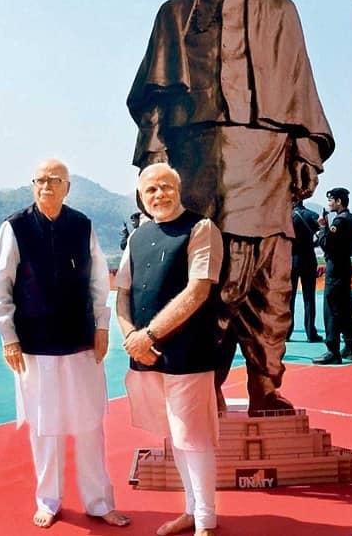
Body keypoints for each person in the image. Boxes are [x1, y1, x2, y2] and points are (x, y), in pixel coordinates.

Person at [127, 0, 334, 414]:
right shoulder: (175, 12)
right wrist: (154, 149)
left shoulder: (282, 11)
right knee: (204, 273)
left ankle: (266, 384)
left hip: (265, 157)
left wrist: (304, 147)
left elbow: (299, 83)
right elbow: (152, 96)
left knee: (269, 273)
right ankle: (207, 384)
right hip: (195, 159)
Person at [0, 158, 129, 529]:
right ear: (32, 185)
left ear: (68, 187)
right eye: (40, 180)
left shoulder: (83, 225)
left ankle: (99, 502)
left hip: (81, 341)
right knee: (43, 427)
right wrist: (9, 338)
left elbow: (99, 281)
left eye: (54, 180)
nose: (46, 186)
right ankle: (48, 500)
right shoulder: (15, 227)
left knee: (89, 425)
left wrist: (102, 327)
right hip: (35, 344)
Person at [116, 163, 223, 536]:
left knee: (193, 437)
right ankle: (191, 511)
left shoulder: (202, 229)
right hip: (147, 355)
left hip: (189, 353)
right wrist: (131, 336)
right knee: (176, 437)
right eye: (150, 190)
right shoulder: (137, 237)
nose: (159, 195)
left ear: (179, 190)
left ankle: (206, 522)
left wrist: (149, 335)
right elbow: (124, 293)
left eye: (165, 187)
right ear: (141, 197)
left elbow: (198, 290)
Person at [313, 188, 352, 364]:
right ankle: (349, 346)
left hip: (335, 267)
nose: (329, 203)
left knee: (331, 309)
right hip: (345, 266)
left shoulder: (339, 222)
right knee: (346, 307)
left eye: (331, 200)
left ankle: (333, 350)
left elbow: (327, 244)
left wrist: (323, 227)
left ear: (339, 201)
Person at [288, 201, 322, 342]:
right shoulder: (313, 215)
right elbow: (321, 237)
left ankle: (287, 333)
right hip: (309, 258)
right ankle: (310, 332)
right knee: (309, 298)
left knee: (289, 299)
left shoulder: (287, 216)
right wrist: (311, 243)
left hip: (291, 260)